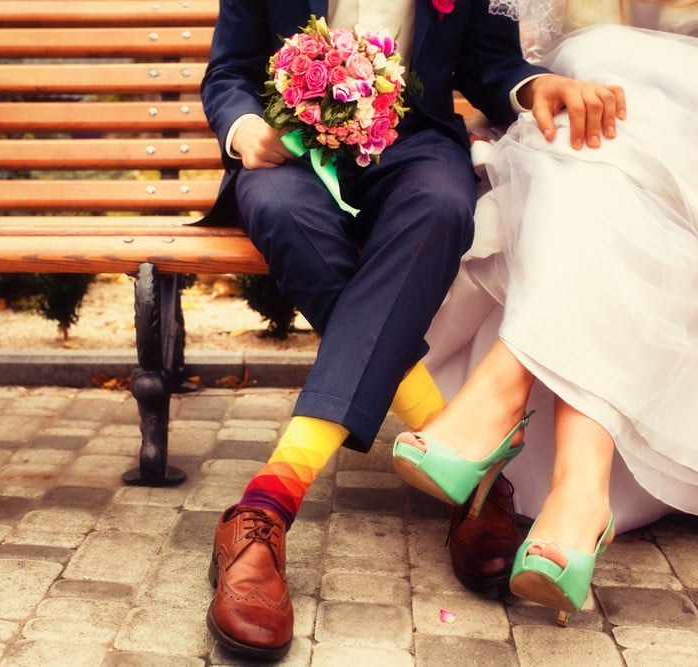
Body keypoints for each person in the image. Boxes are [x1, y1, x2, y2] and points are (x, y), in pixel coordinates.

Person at [199, 0, 623, 658]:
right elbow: (228, 71)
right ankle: (464, 463)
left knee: (443, 205)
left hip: (415, 143)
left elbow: (485, 59)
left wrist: (536, 85)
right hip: (289, 154)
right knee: (284, 215)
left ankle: (268, 502)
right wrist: (245, 128)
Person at [395, 0, 698, 625]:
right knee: (585, 114)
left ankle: (502, 393)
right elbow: (497, 52)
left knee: (600, 89)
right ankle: (581, 496)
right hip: (577, 126)